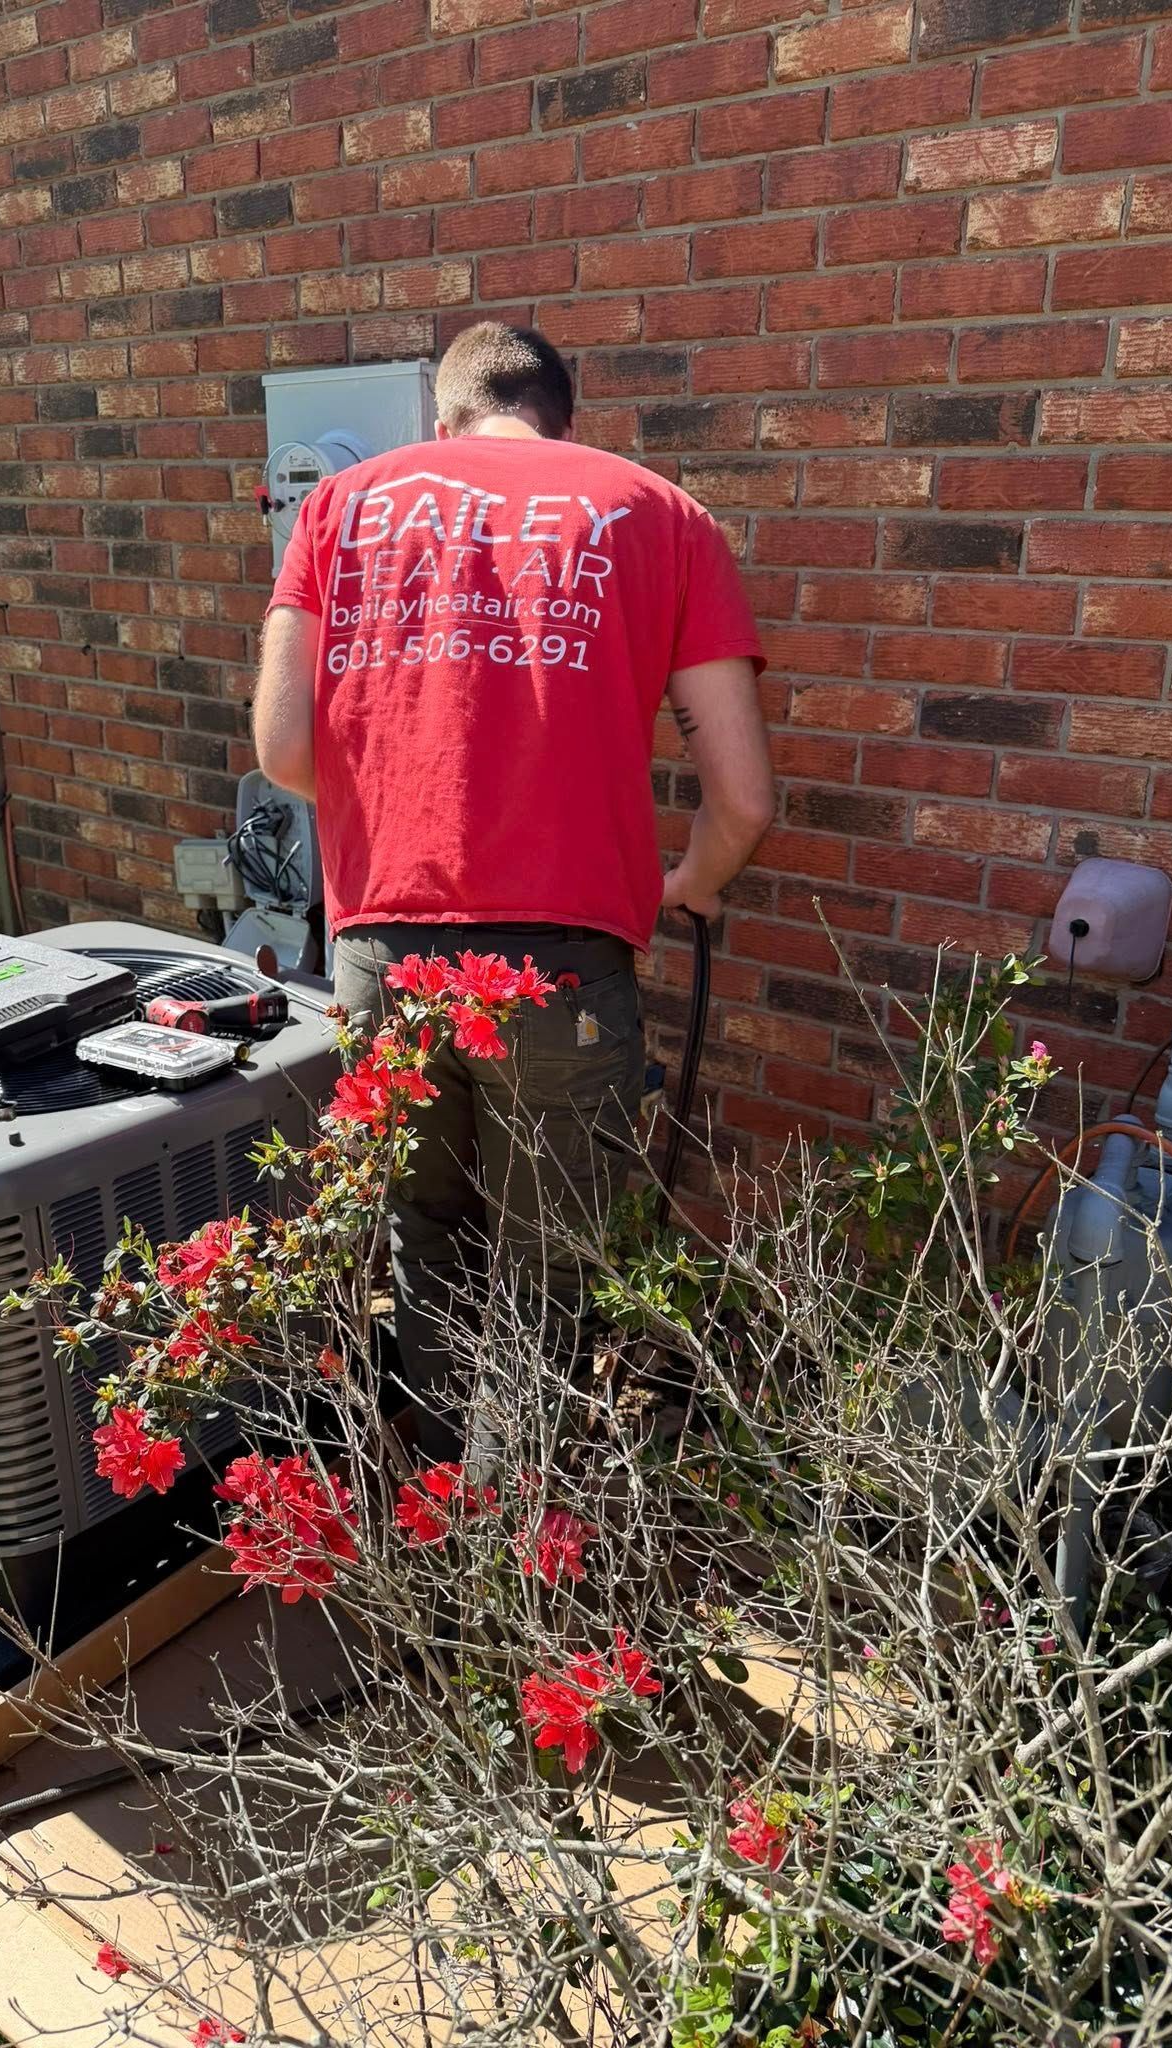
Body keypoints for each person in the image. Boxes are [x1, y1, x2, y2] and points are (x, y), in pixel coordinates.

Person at [253, 321, 774, 1449]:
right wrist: (686, 878)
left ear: (442, 419)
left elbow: (284, 749)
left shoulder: (339, 509)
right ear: (561, 419)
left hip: (383, 949)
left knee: (425, 1230)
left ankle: (444, 1518)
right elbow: (743, 798)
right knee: (548, 1269)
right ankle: (516, 1551)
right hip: (567, 961)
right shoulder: (659, 514)